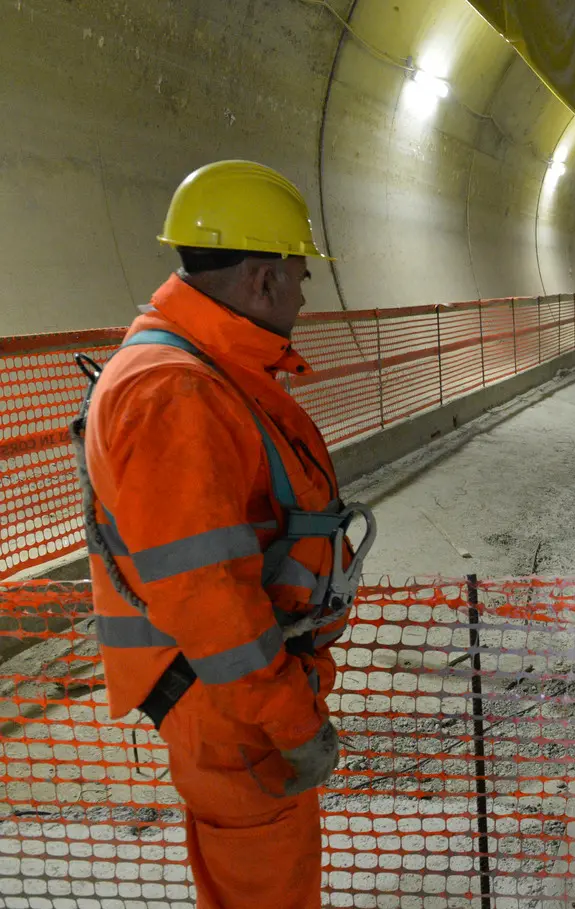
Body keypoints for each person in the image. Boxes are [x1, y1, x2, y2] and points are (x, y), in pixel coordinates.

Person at [72, 160, 375, 909]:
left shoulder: (207, 370)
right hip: (232, 703)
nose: (307, 290)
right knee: (264, 886)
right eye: (301, 273)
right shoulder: (174, 393)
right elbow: (209, 597)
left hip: (234, 692)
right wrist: (291, 719)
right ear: (262, 279)